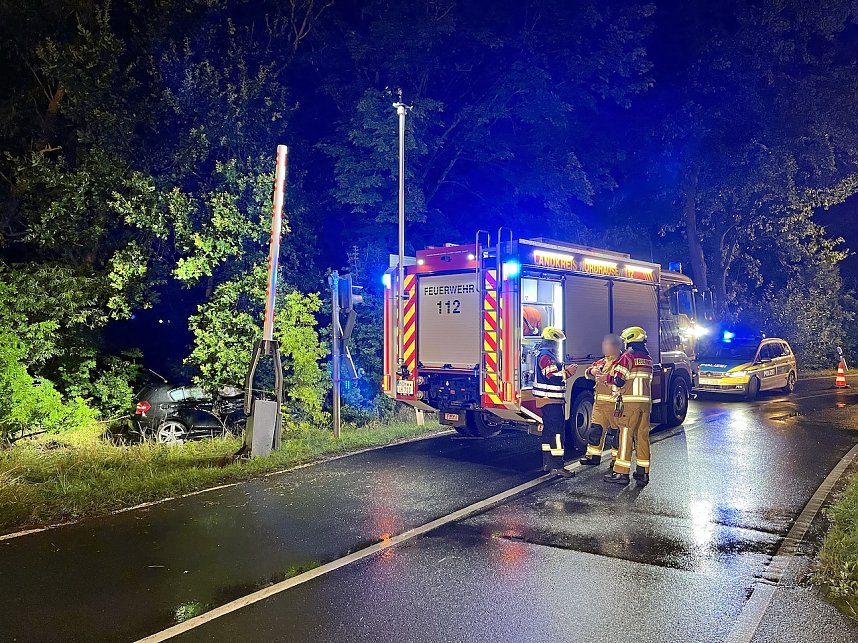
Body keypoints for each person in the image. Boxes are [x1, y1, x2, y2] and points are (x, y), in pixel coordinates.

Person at [603, 326, 654, 486]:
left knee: (625, 437)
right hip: (645, 405)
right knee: (642, 438)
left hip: (630, 404)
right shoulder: (648, 358)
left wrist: (607, 378)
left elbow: (619, 379)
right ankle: (642, 473)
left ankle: (621, 473)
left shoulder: (628, 357)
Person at [534, 326, 578, 477]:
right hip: (551, 402)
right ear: (552, 342)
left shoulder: (544, 355)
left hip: (549, 401)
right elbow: (551, 376)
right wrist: (568, 372)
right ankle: (557, 466)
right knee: (557, 434)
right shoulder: (547, 357)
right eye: (557, 342)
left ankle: (548, 463)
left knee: (549, 433)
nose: (558, 345)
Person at [579, 334, 623, 466]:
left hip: (615, 405)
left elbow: (621, 379)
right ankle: (593, 456)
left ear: (614, 346)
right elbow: (587, 371)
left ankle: (617, 459)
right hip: (600, 405)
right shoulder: (603, 361)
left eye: (606, 344)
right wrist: (592, 371)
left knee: (617, 434)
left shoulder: (622, 362)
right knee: (595, 430)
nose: (603, 347)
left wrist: (606, 378)